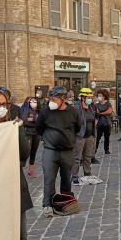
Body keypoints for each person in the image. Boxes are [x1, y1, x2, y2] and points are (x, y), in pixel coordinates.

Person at [0, 90, 38, 240]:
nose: (1, 107)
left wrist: (18, 132)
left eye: (4, 103)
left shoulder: (11, 126)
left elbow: (24, 154)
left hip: (14, 187)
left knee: (20, 233)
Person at [36, 86, 81, 217]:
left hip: (67, 152)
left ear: (63, 99)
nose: (52, 101)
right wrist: (49, 138)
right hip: (50, 151)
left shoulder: (73, 112)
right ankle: (47, 205)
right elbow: (39, 128)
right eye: (51, 98)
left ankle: (66, 203)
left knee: (66, 178)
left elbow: (77, 128)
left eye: (54, 99)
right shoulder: (45, 112)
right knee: (49, 179)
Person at [71, 88, 97, 184]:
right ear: (82, 98)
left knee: (88, 156)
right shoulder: (76, 107)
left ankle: (87, 172)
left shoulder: (91, 107)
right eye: (88, 97)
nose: (90, 99)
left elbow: (94, 118)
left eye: (91, 97)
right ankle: (74, 175)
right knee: (77, 157)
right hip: (80, 136)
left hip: (90, 135)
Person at [21, 96, 40, 178]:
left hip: (37, 133)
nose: (33, 103)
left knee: (34, 152)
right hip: (28, 132)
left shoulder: (39, 111)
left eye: (35, 102)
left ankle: (31, 171)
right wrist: (34, 120)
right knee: (26, 150)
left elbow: (41, 121)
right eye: (31, 101)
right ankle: (21, 167)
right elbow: (25, 121)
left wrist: (33, 119)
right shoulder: (26, 109)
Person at [95, 89, 113, 155]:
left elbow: (110, 111)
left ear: (104, 96)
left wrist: (101, 113)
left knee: (107, 137)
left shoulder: (108, 103)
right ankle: (95, 149)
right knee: (97, 138)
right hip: (99, 124)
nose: (99, 97)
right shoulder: (96, 105)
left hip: (107, 123)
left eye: (100, 95)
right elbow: (95, 112)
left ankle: (106, 149)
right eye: (98, 96)